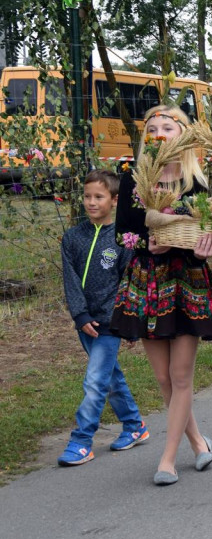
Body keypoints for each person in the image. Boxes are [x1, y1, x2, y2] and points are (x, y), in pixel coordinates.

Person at [110, 105, 212, 485]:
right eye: (153, 127)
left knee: (180, 376)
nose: (159, 132)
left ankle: (167, 459)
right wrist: (149, 243)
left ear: (183, 135)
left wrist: (204, 249)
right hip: (147, 280)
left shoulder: (197, 182)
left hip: (187, 282)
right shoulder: (133, 179)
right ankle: (198, 442)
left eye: (168, 126)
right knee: (163, 377)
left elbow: (205, 236)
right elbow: (122, 235)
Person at [57, 169, 148, 466]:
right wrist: (80, 314)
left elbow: (128, 282)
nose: (91, 202)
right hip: (86, 322)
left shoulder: (123, 240)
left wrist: (131, 323)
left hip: (111, 323)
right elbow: (70, 280)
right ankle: (135, 426)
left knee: (95, 381)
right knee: (110, 378)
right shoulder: (72, 238)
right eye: (87, 196)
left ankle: (82, 440)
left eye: (98, 197)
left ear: (114, 200)